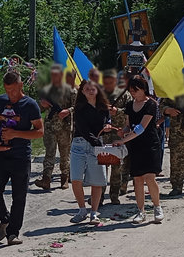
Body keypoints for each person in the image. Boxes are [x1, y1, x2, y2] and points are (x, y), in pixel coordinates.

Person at [0, 70, 43, 246]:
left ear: (21, 85)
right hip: (1, 154)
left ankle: (13, 233)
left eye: (13, 90)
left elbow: (40, 131)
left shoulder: (30, 105)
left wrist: (15, 134)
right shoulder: (0, 101)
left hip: (20, 156)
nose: (10, 94)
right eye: (7, 90)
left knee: (19, 196)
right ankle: (5, 219)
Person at [113, 75, 164, 224]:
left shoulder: (151, 104)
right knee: (137, 179)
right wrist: (123, 131)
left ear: (143, 89)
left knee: (150, 177)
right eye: (131, 90)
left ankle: (157, 207)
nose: (133, 93)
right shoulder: (130, 105)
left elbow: (141, 128)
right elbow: (129, 125)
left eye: (135, 90)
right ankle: (141, 211)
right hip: (135, 146)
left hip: (150, 145)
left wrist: (122, 140)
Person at [67, 80, 112, 225]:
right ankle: (82, 210)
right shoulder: (79, 108)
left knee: (97, 181)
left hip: (97, 145)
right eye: (87, 89)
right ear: (82, 91)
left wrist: (107, 126)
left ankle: (94, 212)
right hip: (80, 145)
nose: (90, 91)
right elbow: (83, 129)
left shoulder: (104, 107)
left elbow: (107, 121)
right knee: (76, 179)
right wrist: (97, 143)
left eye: (93, 89)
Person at [35, 64, 75, 191]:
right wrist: (42, 104)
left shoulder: (70, 91)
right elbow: (39, 109)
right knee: (49, 153)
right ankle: (46, 179)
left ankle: (64, 178)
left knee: (65, 154)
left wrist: (67, 111)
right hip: (50, 127)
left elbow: (77, 107)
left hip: (65, 128)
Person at [102, 69, 131, 204]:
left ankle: (114, 194)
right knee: (102, 166)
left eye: (110, 82)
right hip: (103, 134)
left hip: (119, 134)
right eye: (105, 82)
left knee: (117, 166)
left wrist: (117, 111)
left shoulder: (124, 94)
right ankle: (99, 196)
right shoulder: (99, 94)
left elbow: (130, 111)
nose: (108, 84)